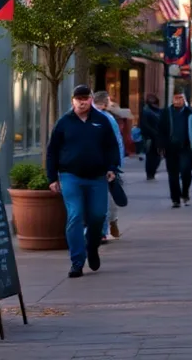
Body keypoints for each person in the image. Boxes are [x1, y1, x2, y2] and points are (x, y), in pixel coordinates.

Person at [46, 85, 119, 278]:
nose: (82, 102)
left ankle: (92, 247)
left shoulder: (102, 121)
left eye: (85, 98)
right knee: (75, 215)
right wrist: (52, 177)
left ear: (91, 100)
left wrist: (112, 167)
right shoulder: (64, 123)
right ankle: (77, 262)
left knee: (98, 216)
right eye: (78, 98)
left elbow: (112, 147)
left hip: (97, 177)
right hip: (70, 176)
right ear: (73, 100)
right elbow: (52, 151)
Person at [159, 91, 192, 208]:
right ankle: (175, 199)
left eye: (180, 98)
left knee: (186, 171)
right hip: (170, 147)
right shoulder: (166, 113)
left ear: (184, 99)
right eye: (176, 98)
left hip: (186, 147)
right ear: (172, 100)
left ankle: (185, 193)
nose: (178, 100)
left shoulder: (191, 113)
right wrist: (161, 146)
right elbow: (161, 130)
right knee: (172, 174)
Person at [92, 91, 125, 240]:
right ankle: (109, 225)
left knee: (101, 197)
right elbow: (117, 143)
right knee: (105, 196)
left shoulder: (102, 117)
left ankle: (103, 229)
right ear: (105, 103)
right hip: (104, 164)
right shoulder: (109, 118)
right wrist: (117, 164)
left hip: (98, 164)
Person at [139, 93, 163, 180]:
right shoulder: (146, 111)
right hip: (150, 138)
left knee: (157, 156)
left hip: (158, 137)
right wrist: (153, 133)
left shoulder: (159, 111)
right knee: (151, 156)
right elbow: (144, 125)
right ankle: (150, 173)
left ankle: (152, 172)